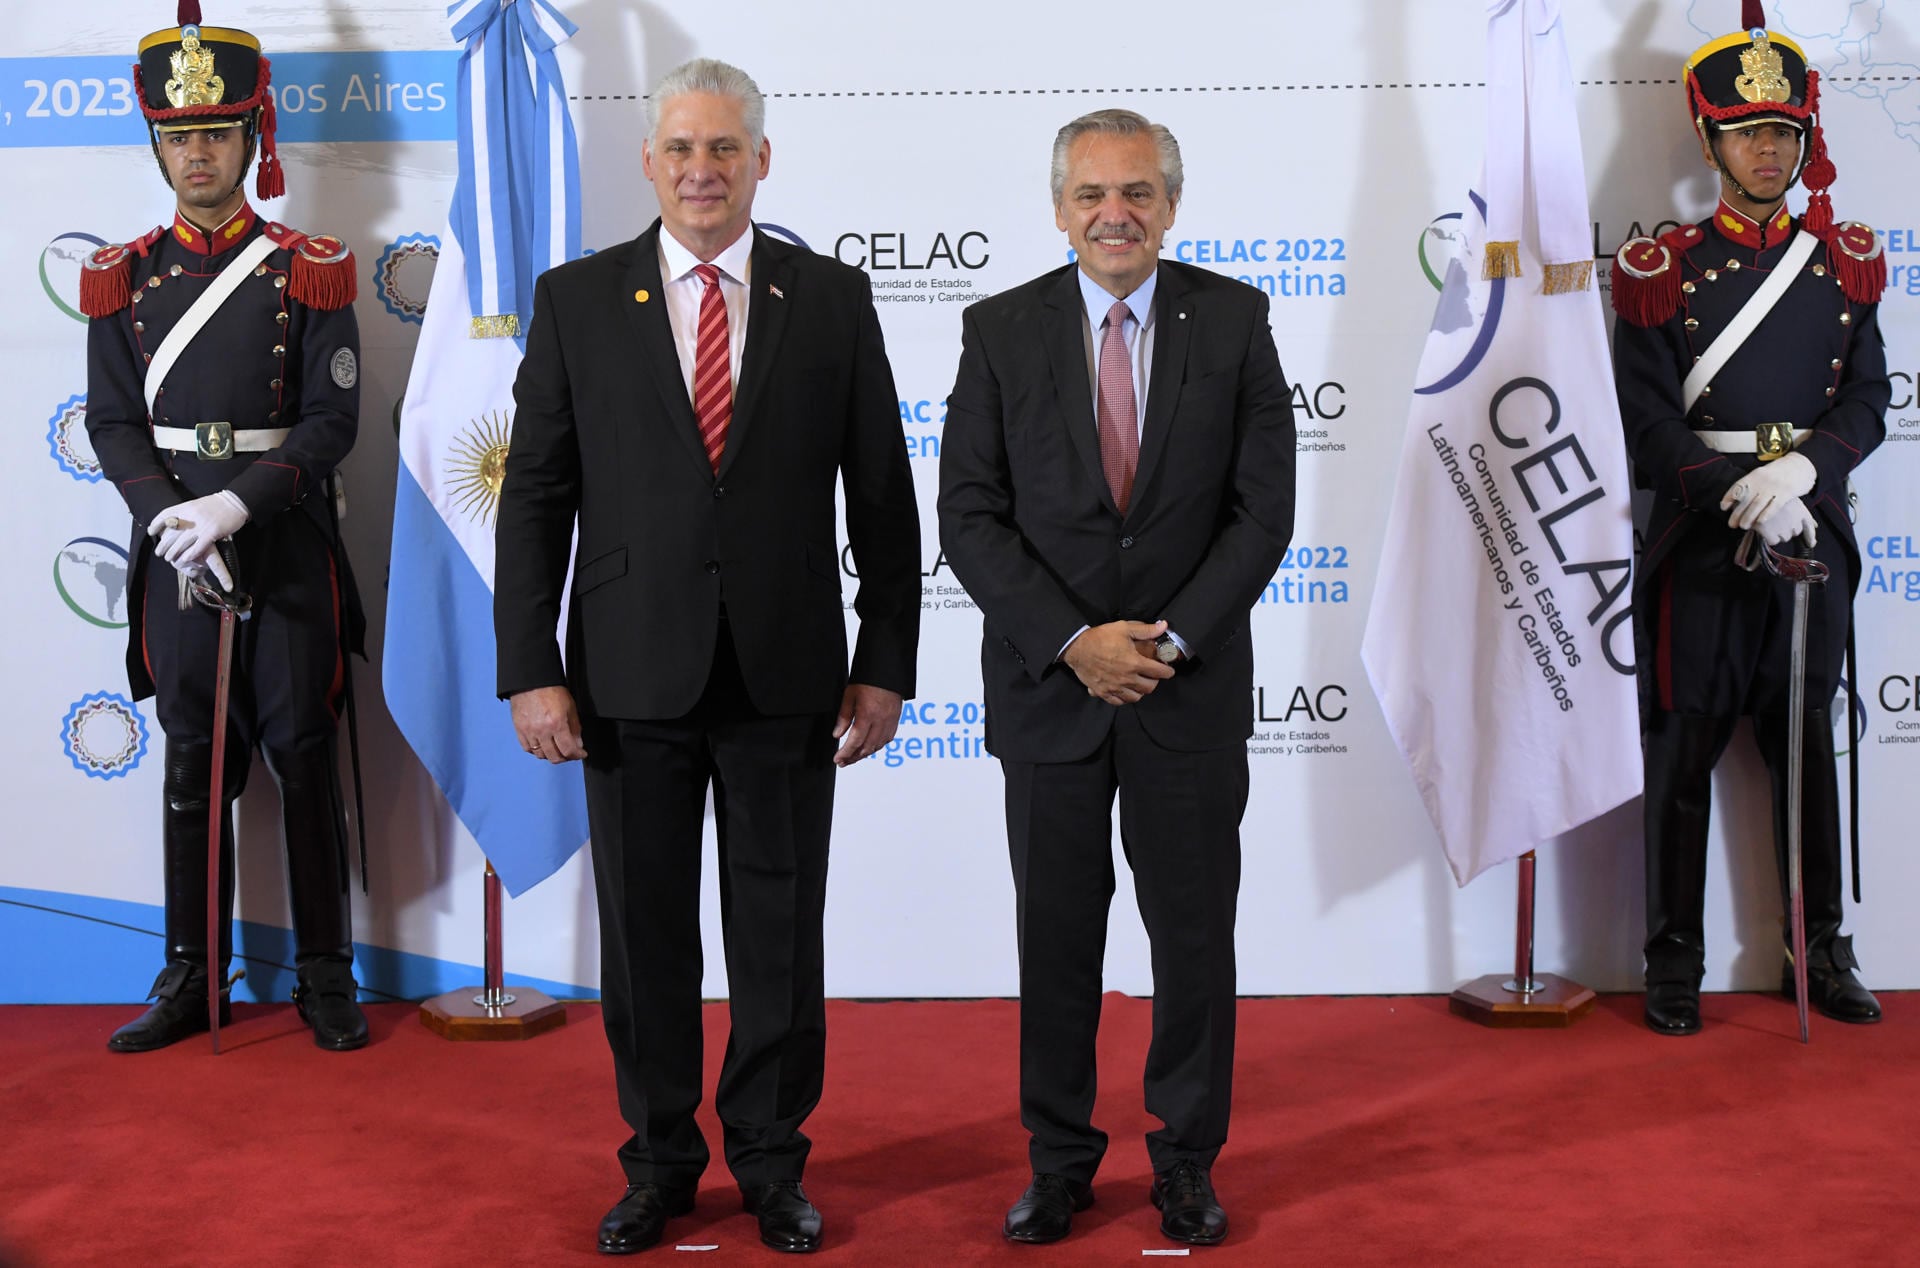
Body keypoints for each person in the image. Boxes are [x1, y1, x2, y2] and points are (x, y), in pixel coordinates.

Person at [493, 58, 920, 1257]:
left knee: (781, 933)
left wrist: (885, 658)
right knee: (646, 935)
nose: (701, 170)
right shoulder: (578, 300)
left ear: (762, 161)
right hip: (626, 679)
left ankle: (775, 1163)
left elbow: (883, 500)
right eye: (681, 149)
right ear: (649, 162)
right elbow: (535, 499)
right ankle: (660, 1160)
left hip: (790, 675)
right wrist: (531, 664)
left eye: (725, 149)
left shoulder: (831, 300)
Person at [937, 108, 1294, 1247]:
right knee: (1056, 946)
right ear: (1058, 209)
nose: (1115, 213)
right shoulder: (999, 330)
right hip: (1053, 696)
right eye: (1091, 194)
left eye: (1137, 191)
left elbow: (1263, 510)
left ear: (1171, 206)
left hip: (1184, 695)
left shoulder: (1235, 321)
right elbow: (970, 515)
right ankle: (1060, 1162)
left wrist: (1170, 639)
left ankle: (1186, 1161)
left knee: (1194, 941)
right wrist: (1074, 641)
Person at [82, 4, 368, 1053]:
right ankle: (191, 975)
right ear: (156, 143)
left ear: (253, 138)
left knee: (301, 750)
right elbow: (112, 422)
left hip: (283, 539)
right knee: (194, 757)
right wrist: (169, 518)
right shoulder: (122, 276)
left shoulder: (311, 265)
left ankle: (327, 975)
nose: (197, 153)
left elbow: (334, 418)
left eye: (215, 133)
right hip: (174, 556)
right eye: (178, 136)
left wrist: (238, 501)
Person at [1610, 2, 1889, 1036]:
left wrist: (1805, 474)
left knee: (1806, 744)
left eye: (1783, 133)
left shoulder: (1843, 261)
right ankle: (1671, 956)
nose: (1767, 149)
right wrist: (1732, 488)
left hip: (1809, 535)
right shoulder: (1662, 271)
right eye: (1747, 132)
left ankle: (1817, 951)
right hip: (1702, 535)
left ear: (1804, 142)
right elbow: (1641, 414)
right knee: (1684, 749)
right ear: (1710, 139)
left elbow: (1868, 396)